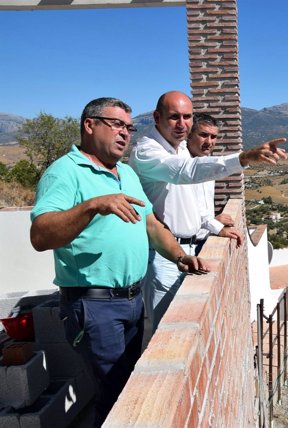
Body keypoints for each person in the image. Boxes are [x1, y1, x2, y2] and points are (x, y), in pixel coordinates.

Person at [29, 97, 210, 427]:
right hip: (93, 305)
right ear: (90, 125)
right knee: (119, 394)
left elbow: (151, 225)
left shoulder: (125, 173)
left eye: (129, 127)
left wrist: (181, 256)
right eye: (116, 125)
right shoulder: (65, 173)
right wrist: (93, 205)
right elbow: (40, 235)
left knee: (125, 386)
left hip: (131, 299)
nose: (125, 134)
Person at [128, 90, 286, 331]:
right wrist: (243, 158)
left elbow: (193, 199)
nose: (182, 124)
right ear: (157, 117)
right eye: (174, 117)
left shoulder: (179, 147)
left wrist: (213, 224)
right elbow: (185, 172)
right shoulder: (147, 151)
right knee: (167, 330)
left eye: (187, 117)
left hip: (190, 250)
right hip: (162, 256)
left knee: (189, 326)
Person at [187, 112, 243, 254]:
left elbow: (199, 209)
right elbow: (185, 211)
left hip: (201, 241)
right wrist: (217, 227)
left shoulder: (207, 164)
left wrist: (212, 220)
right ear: (189, 134)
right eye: (203, 135)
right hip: (181, 247)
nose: (209, 142)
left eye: (213, 137)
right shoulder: (182, 167)